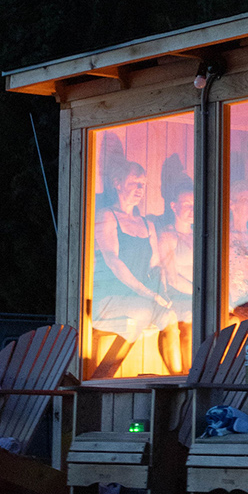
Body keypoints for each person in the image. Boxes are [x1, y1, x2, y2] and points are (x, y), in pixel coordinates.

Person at [91, 158, 173, 376]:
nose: (140, 189)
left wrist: (162, 292)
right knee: (144, 311)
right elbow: (113, 260)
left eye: (143, 184)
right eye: (135, 182)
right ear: (118, 183)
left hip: (142, 296)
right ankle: (103, 375)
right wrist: (147, 293)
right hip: (109, 297)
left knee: (171, 317)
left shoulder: (148, 224)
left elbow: (156, 264)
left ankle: (177, 376)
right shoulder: (107, 216)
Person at [156, 181, 195, 373]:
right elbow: (172, 279)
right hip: (176, 297)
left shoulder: (199, 236)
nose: (192, 209)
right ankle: (184, 376)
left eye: (195, 204)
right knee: (189, 319)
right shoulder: (168, 236)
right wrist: (202, 292)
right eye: (187, 204)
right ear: (174, 206)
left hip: (197, 297)